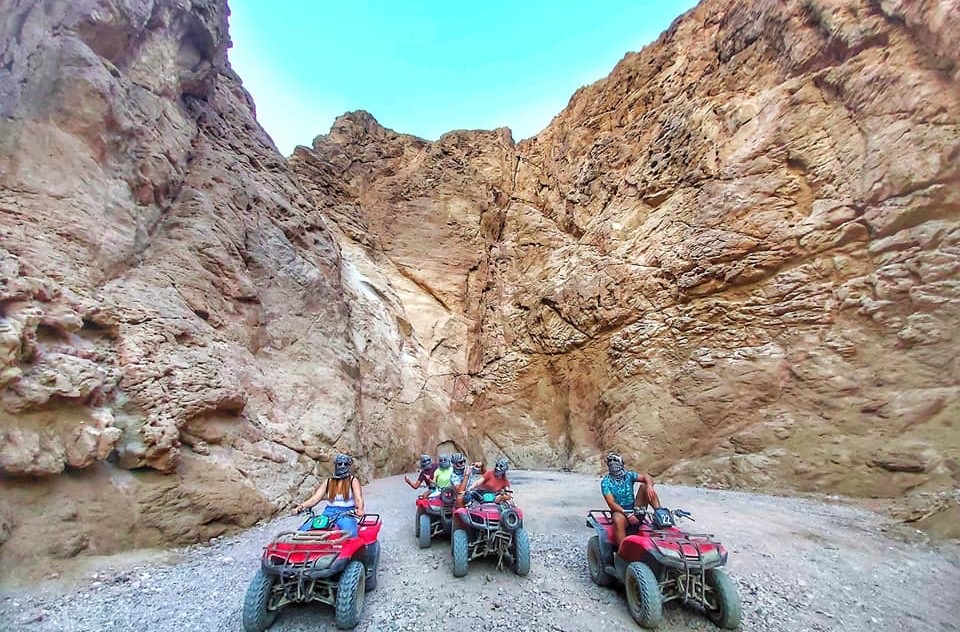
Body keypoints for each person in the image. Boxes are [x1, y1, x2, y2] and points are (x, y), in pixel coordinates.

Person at [292, 453, 365, 537]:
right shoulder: (329, 481)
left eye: (345, 464)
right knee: (306, 528)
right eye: (340, 464)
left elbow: (358, 498)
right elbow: (315, 498)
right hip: (329, 512)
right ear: (336, 465)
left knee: (350, 533)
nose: (342, 466)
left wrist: (360, 509)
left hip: (346, 512)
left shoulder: (352, 481)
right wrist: (301, 506)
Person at [600, 453, 662, 550]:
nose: (612, 463)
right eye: (610, 461)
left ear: (621, 463)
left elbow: (646, 477)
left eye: (615, 460)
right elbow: (611, 503)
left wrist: (649, 485)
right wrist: (628, 514)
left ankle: (660, 512)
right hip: (620, 511)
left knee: (644, 487)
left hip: (635, 508)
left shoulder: (628, 475)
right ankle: (622, 551)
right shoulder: (606, 482)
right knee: (617, 519)